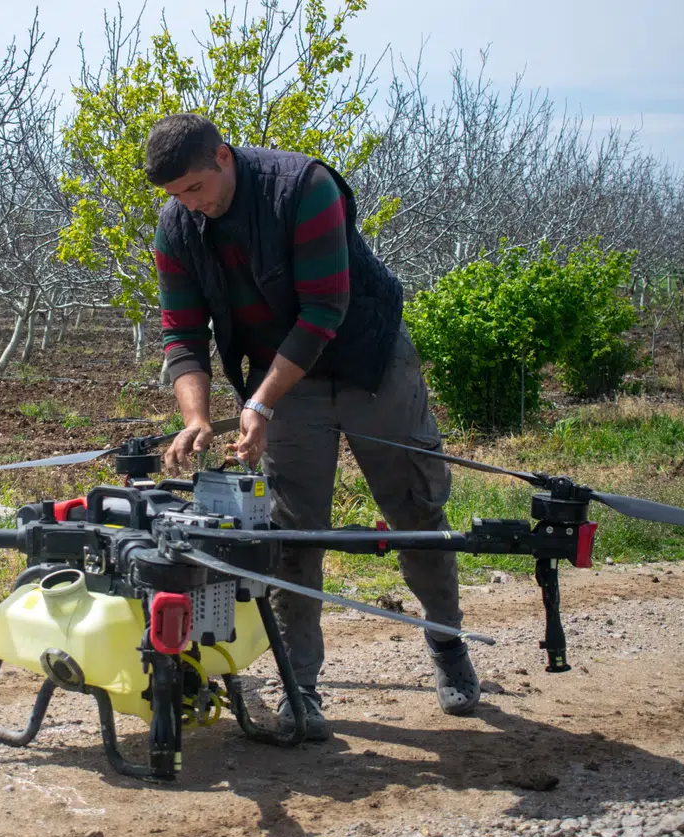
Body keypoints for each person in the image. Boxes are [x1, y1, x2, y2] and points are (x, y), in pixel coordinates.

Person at [145, 113, 479, 741]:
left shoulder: (303, 187)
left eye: (194, 188)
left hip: (367, 361)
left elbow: (327, 307)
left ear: (223, 156)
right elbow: (181, 333)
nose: (190, 205)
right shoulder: (178, 225)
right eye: (176, 196)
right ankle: (301, 687)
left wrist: (261, 402)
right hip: (283, 373)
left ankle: (446, 640)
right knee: (294, 533)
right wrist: (194, 416)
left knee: (414, 512)